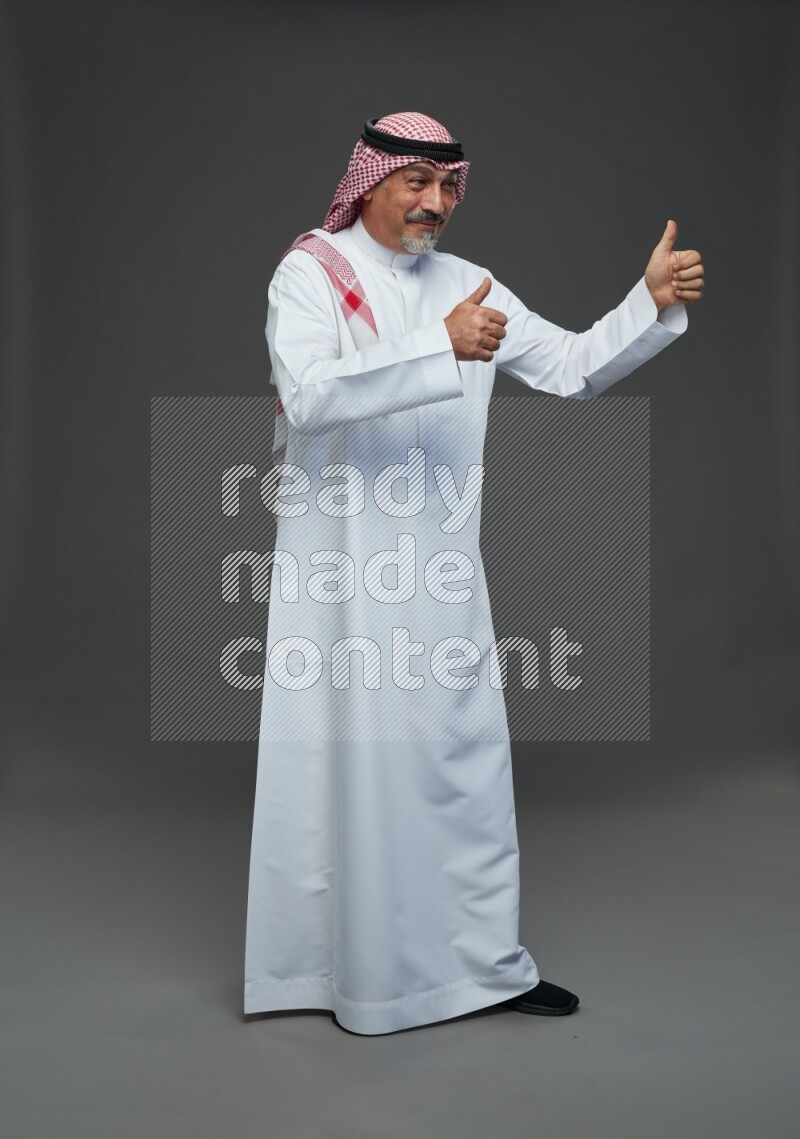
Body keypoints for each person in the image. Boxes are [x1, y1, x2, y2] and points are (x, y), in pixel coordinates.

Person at [244, 111, 704, 1036]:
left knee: (465, 762)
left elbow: (572, 368)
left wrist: (646, 302)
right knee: (356, 769)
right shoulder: (312, 272)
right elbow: (307, 395)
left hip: (443, 568)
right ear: (368, 180)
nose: (435, 203)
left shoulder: (468, 283)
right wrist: (434, 346)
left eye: (449, 185)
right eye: (416, 182)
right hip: (345, 577)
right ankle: (354, 977)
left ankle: (482, 968)